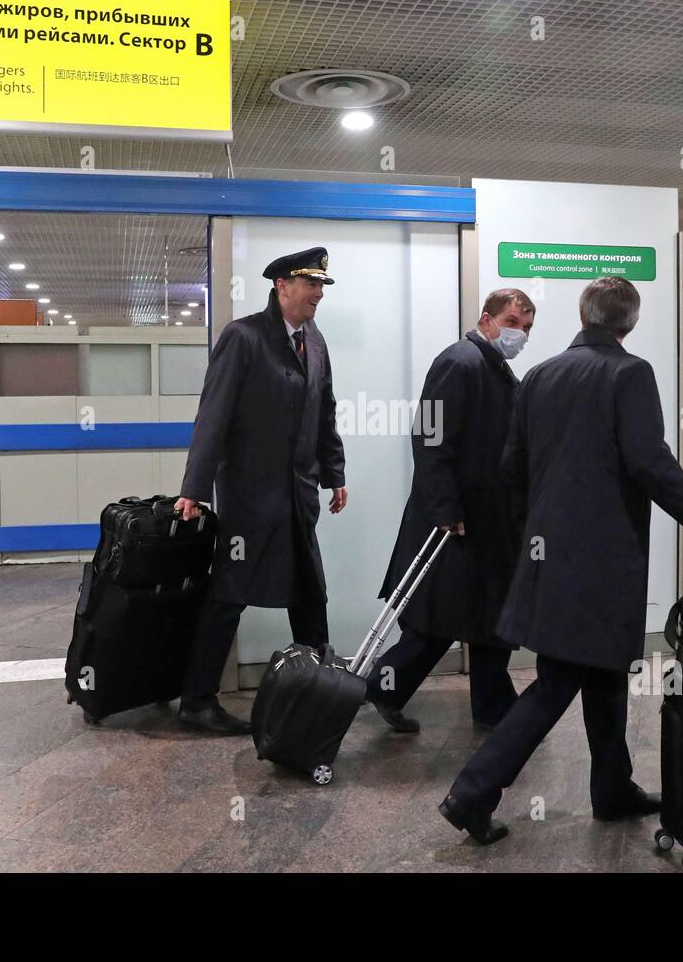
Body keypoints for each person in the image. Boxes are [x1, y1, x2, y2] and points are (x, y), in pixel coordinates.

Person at [439, 276, 683, 844]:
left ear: (584, 316)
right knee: (557, 682)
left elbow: (513, 469)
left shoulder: (539, 375)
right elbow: (650, 463)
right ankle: (472, 792)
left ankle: (612, 788)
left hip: (550, 555)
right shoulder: (631, 374)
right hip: (601, 563)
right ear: (628, 322)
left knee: (604, 671)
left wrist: (536, 532)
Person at [174, 247, 348, 735]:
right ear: (282, 286)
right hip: (251, 498)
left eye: (321, 286)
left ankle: (317, 692)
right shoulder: (244, 337)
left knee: (310, 594)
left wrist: (334, 471)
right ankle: (197, 701)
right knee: (230, 594)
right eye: (310, 284)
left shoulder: (314, 342)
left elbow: (324, 412)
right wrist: (196, 487)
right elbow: (214, 415)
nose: (317, 294)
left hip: (298, 495)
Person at [366, 289, 536, 734]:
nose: (521, 334)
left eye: (527, 327)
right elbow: (429, 437)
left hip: (486, 519)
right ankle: (383, 688)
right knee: (440, 617)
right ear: (487, 319)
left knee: (481, 615)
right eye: (514, 323)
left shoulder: (494, 368)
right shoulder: (460, 363)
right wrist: (445, 507)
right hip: (457, 520)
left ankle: (490, 702)